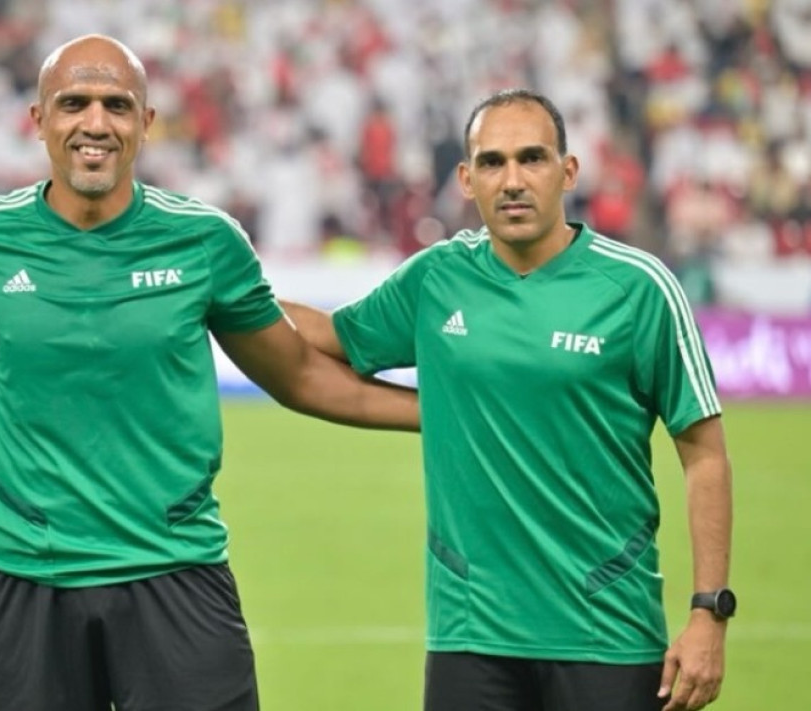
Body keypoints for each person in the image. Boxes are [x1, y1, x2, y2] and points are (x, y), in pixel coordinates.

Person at [0, 35, 421, 711]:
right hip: (27, 579)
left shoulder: (204, 242)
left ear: (146, 122)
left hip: (177, 572)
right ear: (37, 120)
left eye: (116, 105)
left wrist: (440, 412)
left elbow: (300, 375)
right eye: (73, 103)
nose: (95, 123)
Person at [283, 89, 734, 711]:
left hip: (606, 632)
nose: (513, 180)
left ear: (567, 171)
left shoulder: (640, 288)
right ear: (466, 180)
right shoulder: (437, 278)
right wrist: (221, 290)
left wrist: (709, 612)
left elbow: (705, 456)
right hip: (470, 635)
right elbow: (333, 336)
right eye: (492, 162)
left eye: (532, 158)